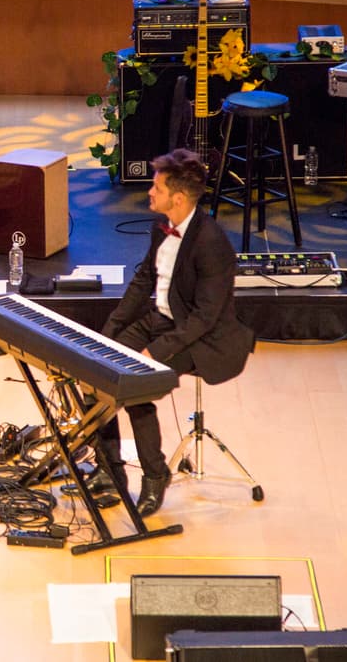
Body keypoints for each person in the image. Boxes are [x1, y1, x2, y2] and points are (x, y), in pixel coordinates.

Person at [91, 148, 256, 517]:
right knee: (94, 371)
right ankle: (108, 470)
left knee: (133, 385)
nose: (150, 192)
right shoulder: (160, 224)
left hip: (200, 336)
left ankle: (154, 477)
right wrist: (110, 331)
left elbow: (204, 317)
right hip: (162, 319)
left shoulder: (212, 244)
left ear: (177, 198)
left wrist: (155, 352)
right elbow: (143, 279)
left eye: (156, 187)